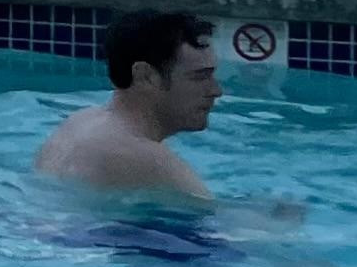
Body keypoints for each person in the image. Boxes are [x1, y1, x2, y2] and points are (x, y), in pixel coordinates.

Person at [35, 10, 221, 200]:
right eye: (200, 77)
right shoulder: (146, 160)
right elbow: (220, 224)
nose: (216, 90)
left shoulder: (78, 123)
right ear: (145, 76)